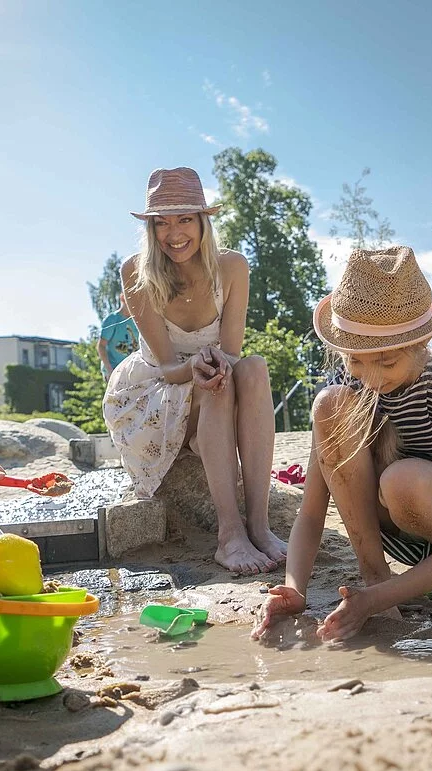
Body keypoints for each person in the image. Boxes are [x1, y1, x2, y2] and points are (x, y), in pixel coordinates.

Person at [251, 246, 432, 642]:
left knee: (403, 481)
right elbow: (311, 512)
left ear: (422, 344)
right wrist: (294, 589)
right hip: (382, 527)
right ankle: (374, 574)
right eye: (356, 360)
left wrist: (376, 602)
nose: (370, 377)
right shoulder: (349, 386)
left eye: (387, 362)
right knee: (327, 402)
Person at [103, 167, 287, 575]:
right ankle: (230, 534)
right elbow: (168, 367)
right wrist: (197, 366)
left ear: (203, 221)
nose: (173, 233)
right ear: (150, 228)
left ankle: (259, 526)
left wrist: (213, 364)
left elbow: (232, 353)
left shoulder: (232, 266)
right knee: (214, 383)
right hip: (154, 390)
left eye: (185, 219)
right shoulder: (135, 271)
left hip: (212, 379)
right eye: (161, 222)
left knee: (253, 368)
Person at [98, 292, 139, 380]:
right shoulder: (112, 319)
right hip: (114, 369)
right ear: (122, 297)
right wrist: (109, 369)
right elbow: (101, 346)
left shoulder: (137, 320)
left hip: (132, 370)